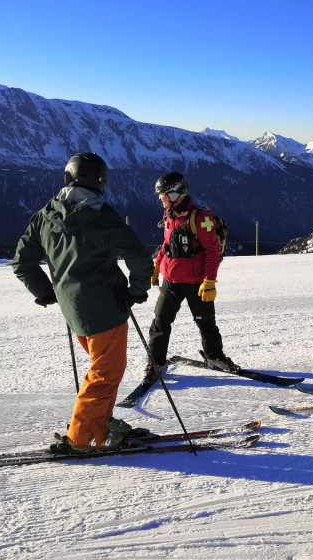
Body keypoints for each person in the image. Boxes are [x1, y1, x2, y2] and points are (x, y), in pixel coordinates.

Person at [12, 152, 154, 452]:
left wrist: (47, 292)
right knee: (106, 372)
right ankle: (84, 437)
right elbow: (140, 257)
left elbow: (22, 262)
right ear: (102, 183)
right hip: (106, 308)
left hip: (72, 310)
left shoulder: (44, 215)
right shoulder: (102, 217)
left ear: (68, 177)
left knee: (100, 368)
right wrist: (137, 289)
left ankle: (97, 422)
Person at [146, 171, 237, 378]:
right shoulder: (169, 215)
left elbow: (213, 252)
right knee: (160, 322)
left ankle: (214, 355)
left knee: (205, 322)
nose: (160, 199)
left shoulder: (200, 218)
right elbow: (167, 244)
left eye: (163, 196)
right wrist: (157, 266)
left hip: (197, 282)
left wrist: (210, 281)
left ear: (175, 194)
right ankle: (155, 362)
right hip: (171, 280)